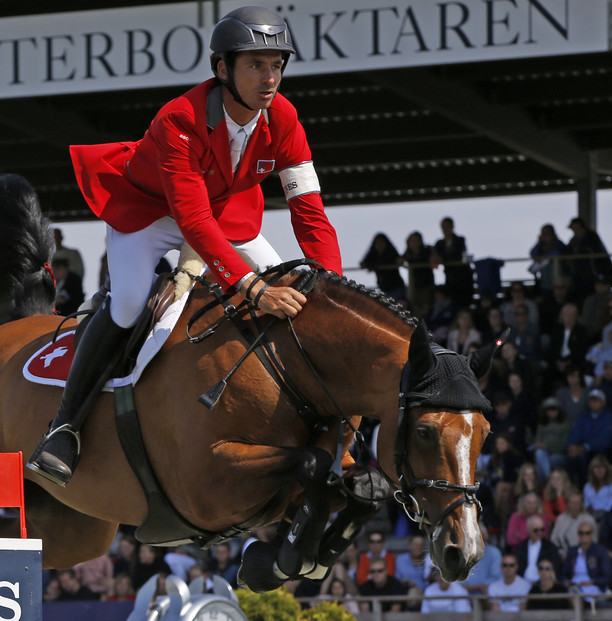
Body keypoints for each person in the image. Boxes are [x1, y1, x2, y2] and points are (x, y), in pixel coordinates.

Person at [27, 6, 342, 487]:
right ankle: (64, 426)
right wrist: (254, 291)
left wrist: (331, 285)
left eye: (276, 64)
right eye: (255, 65)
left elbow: (309, 211)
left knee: (299, 289)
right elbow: (191, 220)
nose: (269, 77)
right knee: (131, 303)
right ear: (222, 70)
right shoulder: (180, 118)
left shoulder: (285, 119)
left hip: (224, 213)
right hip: (152, 212)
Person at [565, 389, 612, 481]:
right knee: (571, 457)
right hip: (582, 450)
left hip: (601, 452)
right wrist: (571, 446)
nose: (594, 403)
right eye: (592, 400)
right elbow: (575, 433)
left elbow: (604, 441)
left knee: (582, 458)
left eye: (597, 400)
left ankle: (584, 487)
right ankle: (572, 488)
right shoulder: (584, 417)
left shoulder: (608, 418)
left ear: (603, 402)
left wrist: (585, 447)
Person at [565, 217, 612, 303]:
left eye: (576, 228)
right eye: (573, 229)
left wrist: (604, 280)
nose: (575, 231)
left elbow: (601, 262)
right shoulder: (573, 242)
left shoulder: (592, 239)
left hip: (596, 281)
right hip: (581, 281)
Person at [431, 217, 474, 307]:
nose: (445, 229)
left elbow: (458, 255)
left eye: (447, 226)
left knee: (464, 301)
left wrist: (444, 258)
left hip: (463, 277)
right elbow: (436, 258)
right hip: (450, 277)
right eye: (443, 227)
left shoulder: (460, 240)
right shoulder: (439, 243)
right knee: (452, 302)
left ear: (452, 227)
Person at [562, 521, 612, 596]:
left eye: (587, 533)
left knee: (573, 595)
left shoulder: (600, 551)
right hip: (573, 586)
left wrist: (592, 582)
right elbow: (563, 574)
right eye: (581, 533)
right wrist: (565, 581)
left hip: (593, 586)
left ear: (592, 534)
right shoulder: (572, 551)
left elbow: (607, 577)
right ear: (578, 534)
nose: (584, 535)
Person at [513, 515, 562, 584]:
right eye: (536, 530)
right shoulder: (521, 547)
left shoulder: (550, 547)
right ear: (528, 530)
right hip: (522, 582)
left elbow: (555, 567)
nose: (539, 533)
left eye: (542, 530)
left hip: (542, 583)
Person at [532, 398, 570, 483]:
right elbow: (538, 442)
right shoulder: (542, 425)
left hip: (559, 454)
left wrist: (548, 447)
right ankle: (549, 479)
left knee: (549, 461)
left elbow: (565, 445)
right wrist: (540, 445)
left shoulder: (565, 424)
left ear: (558, 410)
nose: (551, 412)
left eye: (554, 409)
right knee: (538, 455)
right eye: (549, 409)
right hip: (543, 454)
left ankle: (548, 483)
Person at [550, 492, 598, 559]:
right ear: (568, 504)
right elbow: (554, 539)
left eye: (577, 503)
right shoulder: (561, 518)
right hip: (562, 556)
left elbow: (594, 540)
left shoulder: (589, 519)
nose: (574, 505)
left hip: (583, 555)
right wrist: (560, 552)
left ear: (581, 504)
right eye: (572, 502)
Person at [359, 232, 406, 300]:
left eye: (381, 243)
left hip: (396, 288)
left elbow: (399, 261)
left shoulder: (391, 254)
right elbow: (363, 264)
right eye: (377, 243)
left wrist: (375, 265)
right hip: (384, 289)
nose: (379, 245)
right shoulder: (373, 256)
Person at [398, 231, 434, 318]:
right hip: (414, 285)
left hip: (426, 284)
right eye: (412, 241)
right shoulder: (408, 254)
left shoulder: (427, 251)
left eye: (416, 240)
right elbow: (400, 260)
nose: (414, 243)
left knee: (426, 307)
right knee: (414, 307)